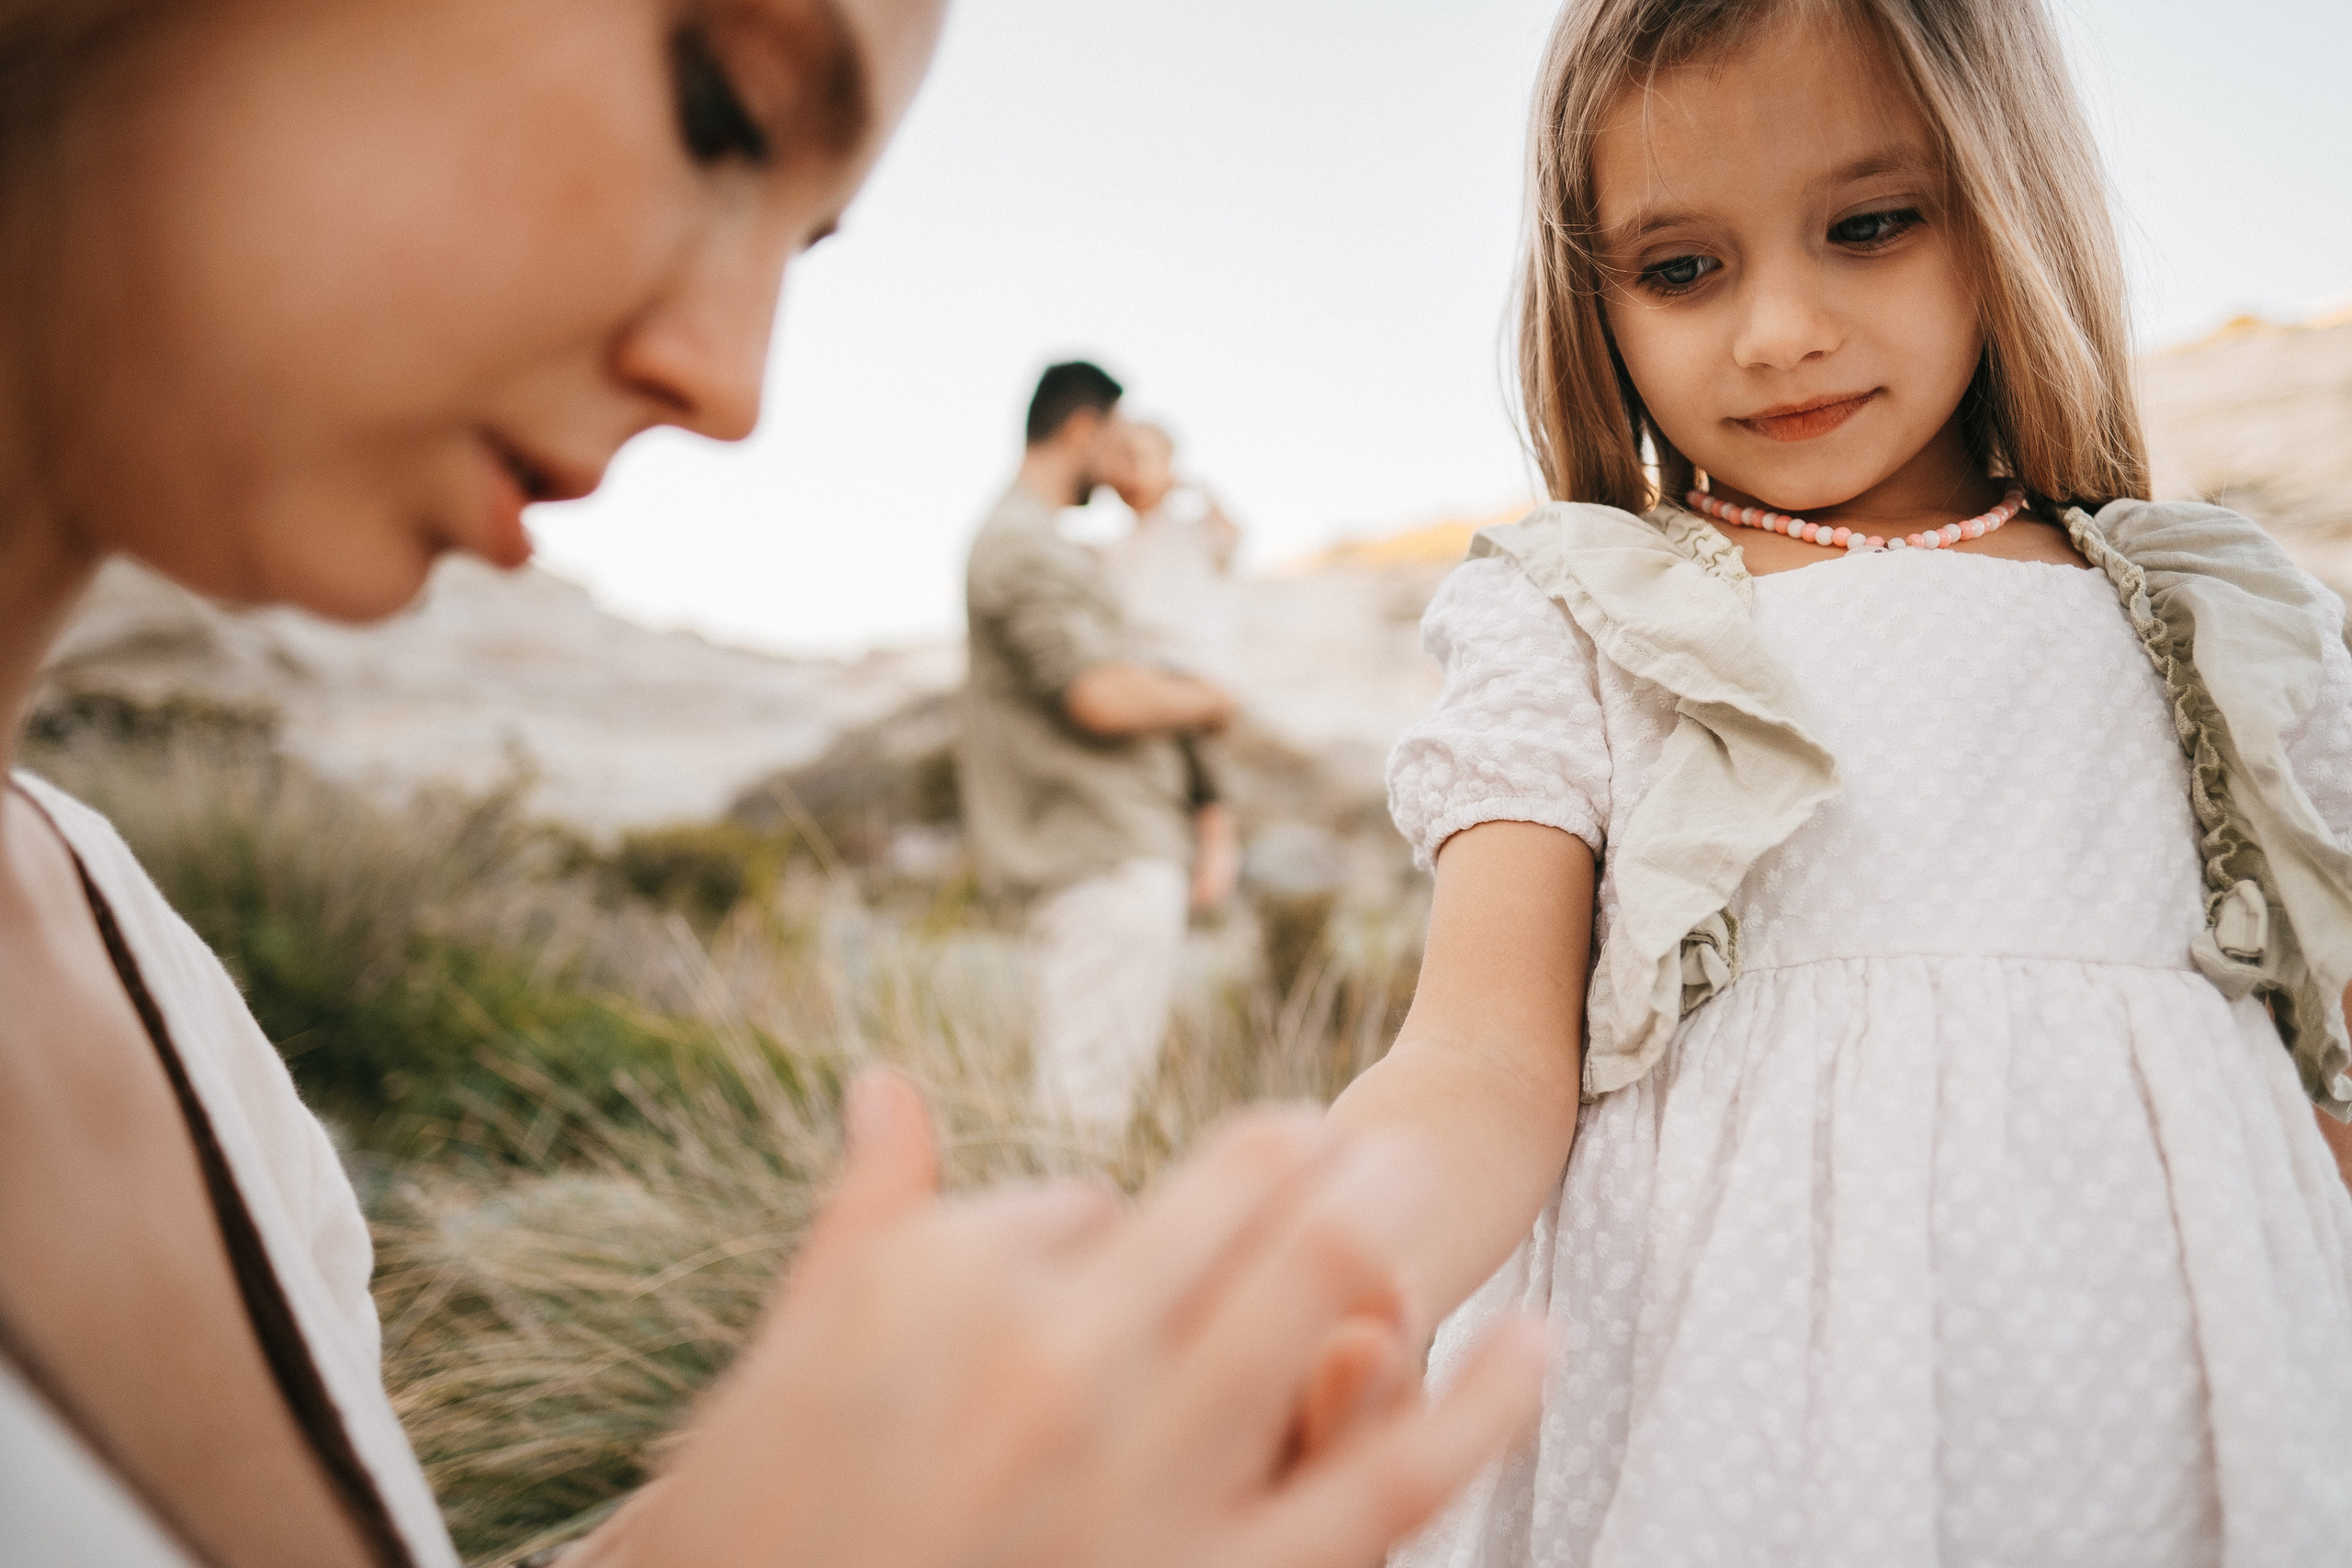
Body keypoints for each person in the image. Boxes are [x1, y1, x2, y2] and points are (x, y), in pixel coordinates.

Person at [0, 5, 1549, 1566]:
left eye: (805, 247)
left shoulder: (152, 987)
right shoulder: (1024, 552)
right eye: (717, 108)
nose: (736, 387)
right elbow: (1111, 686)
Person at [1311, 0, 2352, 1562]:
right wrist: (1328, 1266)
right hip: (1733, 1399)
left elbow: (2319, 1069)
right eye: (1680, 266)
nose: (1779, 327)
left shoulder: (2217, 610)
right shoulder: (1588, 607)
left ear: (2007, 197)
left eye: (1868, 226)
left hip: (2188, 1407)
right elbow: (1481, 1052)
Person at [960, 364, 1237, 1139]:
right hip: (1103, 851)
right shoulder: (1021, 545)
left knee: (1088, 1101)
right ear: (1081, 429)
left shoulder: (1048, 544)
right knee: (1083, 1116)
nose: (1118, 471)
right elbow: (1099, 694)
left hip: (1114, 847)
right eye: (1113, 445)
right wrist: (1216, 698)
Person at [1104, 421, 1246, 918]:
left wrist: (1194, 489)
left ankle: (1218, 844)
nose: (1131, 474)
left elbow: (1232, 538)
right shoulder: (1117, 547)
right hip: (1143, 664)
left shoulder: (1190, 531)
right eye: (1121, 462)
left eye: (1144, 461)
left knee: (1197, 757)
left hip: (1192, 661)